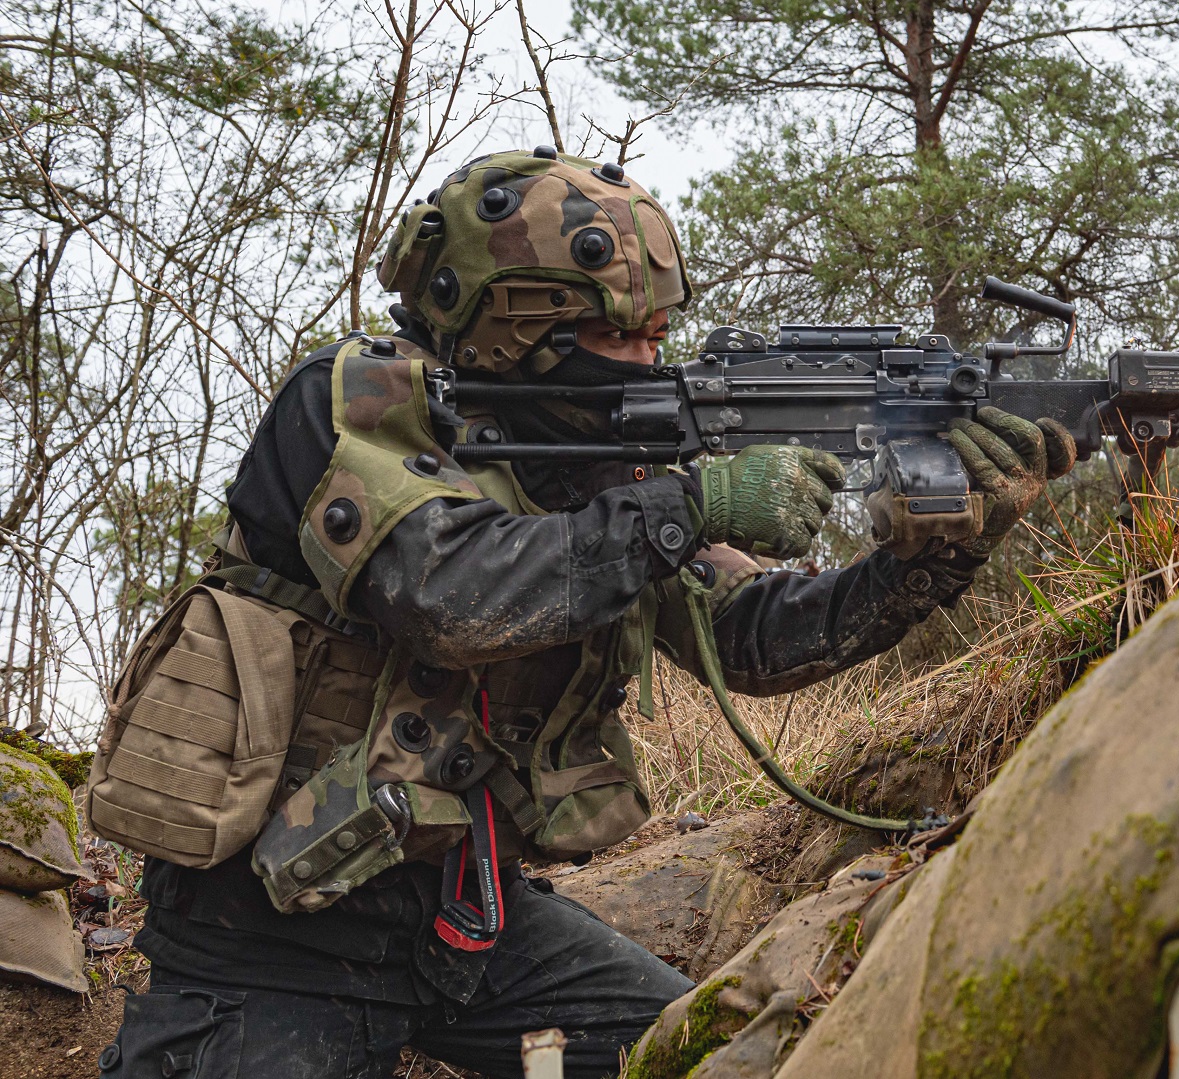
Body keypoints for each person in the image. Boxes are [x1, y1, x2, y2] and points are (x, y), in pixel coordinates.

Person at [99, 147, 1073, 1079]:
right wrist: (689, 503)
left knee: (733, 1054)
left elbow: (755, 637)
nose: (650, 361)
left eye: (658, 334)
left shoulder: (595, 457)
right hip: (270, 930)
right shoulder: (352, 402)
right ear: (516, 323)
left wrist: (937, 556)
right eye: (621, 336)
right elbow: (445, 593)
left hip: (469, 926)